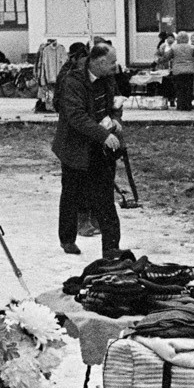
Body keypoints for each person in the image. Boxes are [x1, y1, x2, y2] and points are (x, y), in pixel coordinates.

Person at [51, 42, 124, 257]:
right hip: (74, 147)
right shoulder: (73, 80)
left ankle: (111, 249)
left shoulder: (108, 78)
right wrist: (104, 134)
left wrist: (115, 119)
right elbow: (76, 117)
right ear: (99, 62)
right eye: (112, 63)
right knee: (72, 195)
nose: (115, 67)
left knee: (105, 198)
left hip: (99, 149)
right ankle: (67, 239)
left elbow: (115, 104)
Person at [168, 27, 194, 111]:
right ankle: (188, 105)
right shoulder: (191, 47)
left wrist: (159, 61)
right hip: (189, 71)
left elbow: (167, 57)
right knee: (189, 89)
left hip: (178, 71)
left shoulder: (174, 48)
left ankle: (180, 106)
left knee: (180, 89)